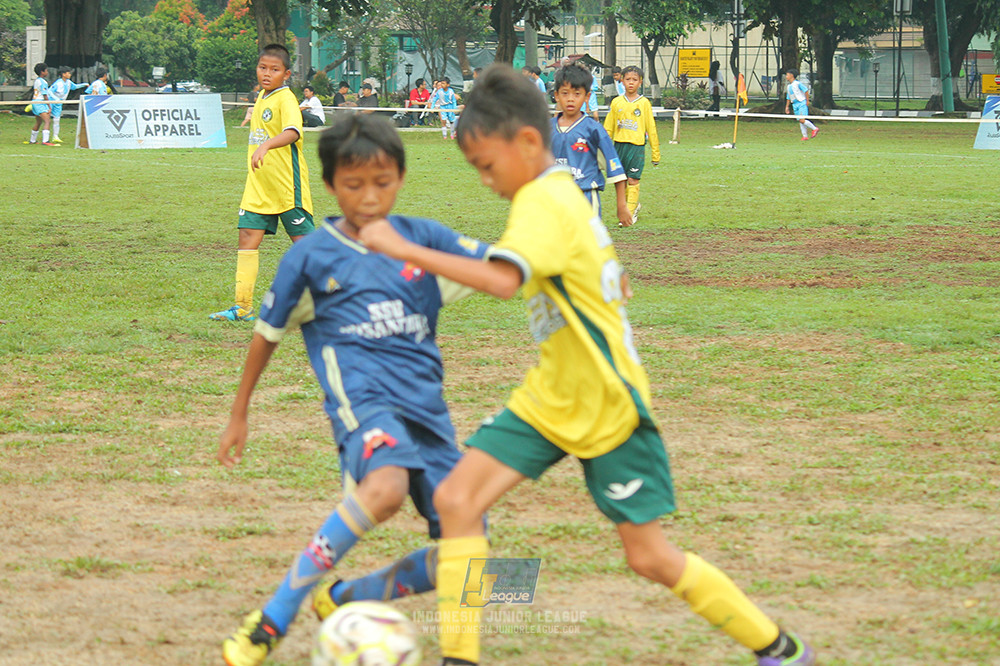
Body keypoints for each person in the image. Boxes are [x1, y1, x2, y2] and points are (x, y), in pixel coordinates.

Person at [358, 63, 817, 666]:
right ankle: (459, 657)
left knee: (648, 557)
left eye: (487, 166)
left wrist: (402, 248)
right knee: (457, 501)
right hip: (552, 394)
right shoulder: (555, 195)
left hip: (606, 400)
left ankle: (781, 648)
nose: (486, 182)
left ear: (528, 142)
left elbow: (503, 280)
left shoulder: (544, 199)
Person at [217, 113, 492, 666]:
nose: (369, 197)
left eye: (382, 182)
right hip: (364, 404)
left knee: (473, 553)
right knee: (386, 488)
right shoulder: (310, 257)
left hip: (429, 413)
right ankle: (272, 618)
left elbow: (503, 267)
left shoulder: (423, 239)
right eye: (353, 184)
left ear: (401, 178)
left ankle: (346, 598)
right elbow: (266, 334)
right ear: (329, 186)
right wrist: (239, 411)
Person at [209, 43, 314, 323]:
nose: (267, 74)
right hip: (259, 185)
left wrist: (266, 145)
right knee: (247, 237)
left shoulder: (286, 99)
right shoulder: (262, 97)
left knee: (305, 246)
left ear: (286, 74)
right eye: (262, 68)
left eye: (274, 69)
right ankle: (242, 307)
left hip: (286, 186)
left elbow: (293, 131)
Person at [550, 64, 630, 228]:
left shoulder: (594, 130)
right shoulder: (546, 129)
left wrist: (621, 206)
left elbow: (616, 170)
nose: (570, 99)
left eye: (577, 94)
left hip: (585, 198)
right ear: (556, 95)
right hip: (553, 199)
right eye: (565, 93)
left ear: (587, 97)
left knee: (587, 243)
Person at [603, 65, 659, 226]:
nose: (631, 83)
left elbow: (651, 128)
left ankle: (630, 212)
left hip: (636, 147)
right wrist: (604, 147)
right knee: (621, 181)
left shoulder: (644, 103)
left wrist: (655, 153)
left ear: (640, 82)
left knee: (633, 179)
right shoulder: (616, 102)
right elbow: (609, 127)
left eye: (635, 80)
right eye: (628, 79)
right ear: (622, 81)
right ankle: (630, 207)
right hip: (619, 147)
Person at [47, 66, 87, 144]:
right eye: (68, 73)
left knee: (57, 119)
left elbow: (74, 86)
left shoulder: (68, 82)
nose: (70, 74)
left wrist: (84, 84)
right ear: (63, 74)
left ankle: (55, 136)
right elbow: (49, 91)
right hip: (51, 102)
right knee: (46, 119)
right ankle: (45, 137)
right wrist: (55, 99)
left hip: (59, 103)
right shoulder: (58, 83)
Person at [25, 63, 55, 146]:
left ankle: (32, 140)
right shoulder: (43, 82)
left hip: (34, 102)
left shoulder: (37, 81)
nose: (47, 72)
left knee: (38, 121)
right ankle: (45, 141)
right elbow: (45, 95)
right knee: (47, 121)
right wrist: (49, 106)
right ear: (42, 72)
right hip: (40, 103)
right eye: (46, 70)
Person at [785, 69, 818, 141]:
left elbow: (806, 90)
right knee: (800, 120)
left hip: (801, 103)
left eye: (787, 75)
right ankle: (805, 136)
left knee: (802, 120)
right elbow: (788, 97)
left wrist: (807, 100)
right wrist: (787, 107)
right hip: (795, 104)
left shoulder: (797, 84)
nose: (786, 77)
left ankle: (814, 128)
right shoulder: (789, 86)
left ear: (791, 75)